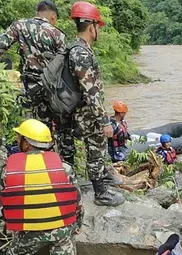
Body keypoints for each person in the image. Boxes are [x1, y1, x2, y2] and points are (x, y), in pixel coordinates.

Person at [0, 119, 83, 255]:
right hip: (61, 228)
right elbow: (77, 200)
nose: (17, 139)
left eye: (20, 137)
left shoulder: (9, 169)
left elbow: (7, 203)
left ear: (27, 143)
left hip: (30, 231)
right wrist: (76, 226)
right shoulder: (64, 168)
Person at [0, 1, 69, 159]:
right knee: (48, 132)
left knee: (27, 129)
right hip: (51, 92)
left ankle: (26, 165)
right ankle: (51, 165)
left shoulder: (20, 26)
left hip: (28, 90)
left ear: (38, 12)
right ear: (53, 17)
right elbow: (65, 68)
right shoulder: (58, 34)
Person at [68, 1, 124, 206]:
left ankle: (102, 180)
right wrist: (104, 122)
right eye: (98, 27)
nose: (98, 30)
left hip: (85, 111)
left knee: (96, 150)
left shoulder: (79, 49)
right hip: (87, 114)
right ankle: (101, 193)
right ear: (92, 27)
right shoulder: (81, 53)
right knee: (96, 150)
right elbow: (90, 91)